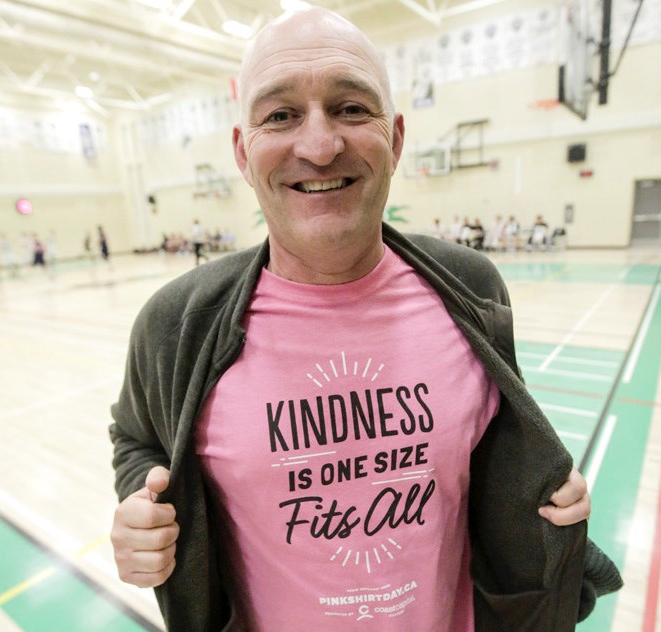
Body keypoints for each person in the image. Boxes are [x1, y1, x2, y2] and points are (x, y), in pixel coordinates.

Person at [109, 7, 621, 632]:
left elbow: (500, 452)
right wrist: (142, 506)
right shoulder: (177, 324)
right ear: (244, 153)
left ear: (397, 137)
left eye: (351, 108)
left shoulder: (470, 290)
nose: (320, 145)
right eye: (280, 115)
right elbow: (136, 439)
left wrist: (540, 498)